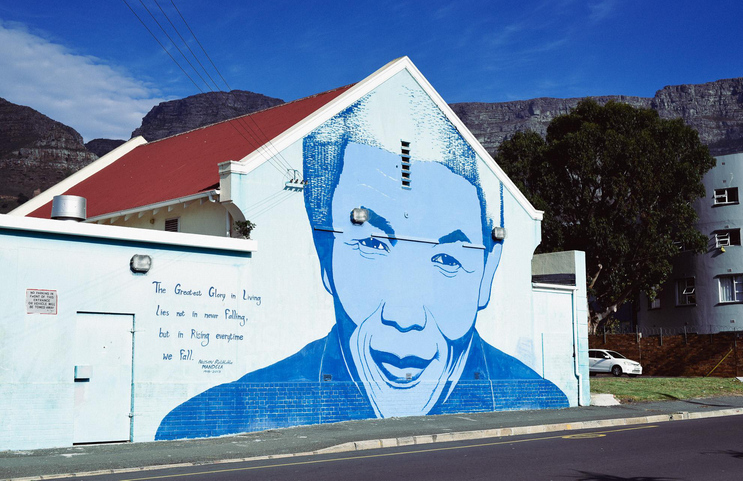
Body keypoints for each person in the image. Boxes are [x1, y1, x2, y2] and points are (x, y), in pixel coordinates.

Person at [155, 73, 566, 440]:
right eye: (371, 245)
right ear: (325, 257)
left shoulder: (544, 400)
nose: (405, 316)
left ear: (488, 272)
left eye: (447, 261)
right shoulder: (217, 417)